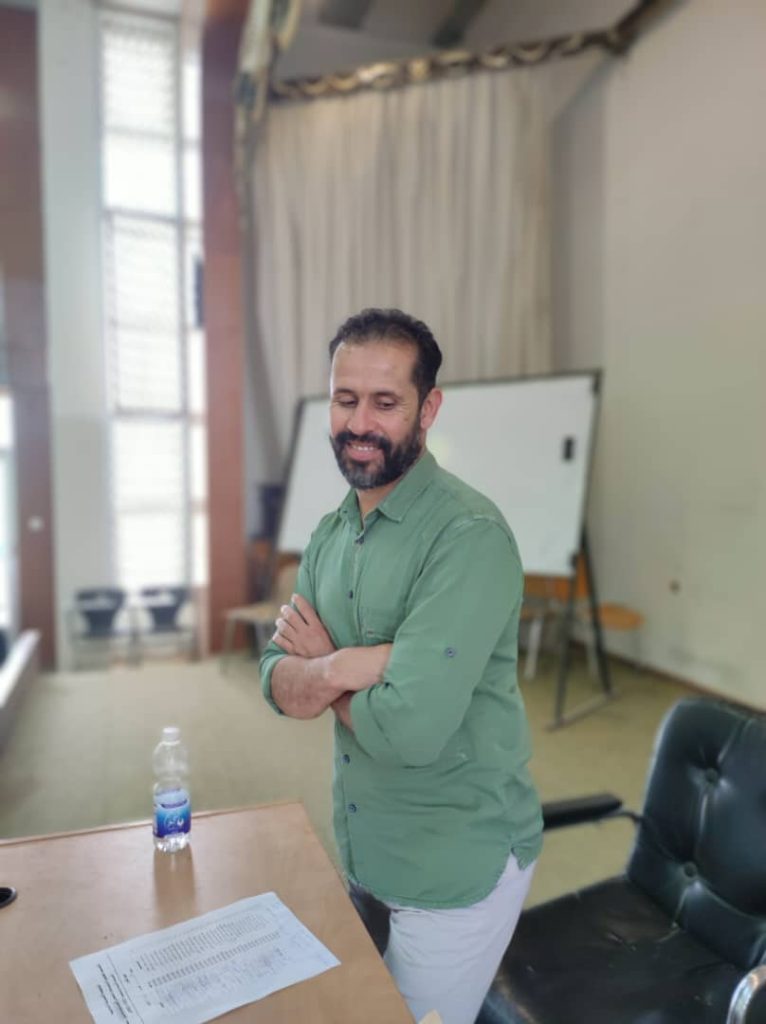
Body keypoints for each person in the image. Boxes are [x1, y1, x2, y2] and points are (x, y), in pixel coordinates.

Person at [259, 308, 543, 1024]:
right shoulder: (329, 534)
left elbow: (410, 732)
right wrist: (349, 667)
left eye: (385, 403)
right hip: (365, 850)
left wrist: (321, 671)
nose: (359, 423)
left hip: (453, 869)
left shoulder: (467, 537)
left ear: (428, 409)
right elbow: (274, 680)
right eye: (345, 400)